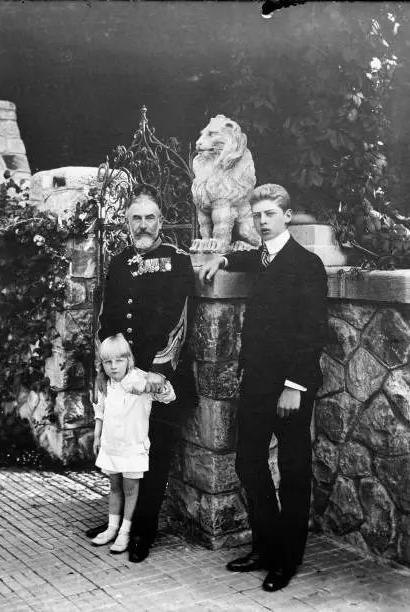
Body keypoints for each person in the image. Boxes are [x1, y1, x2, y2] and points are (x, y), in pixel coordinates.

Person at [199, 184, 327, 592]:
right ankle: (266, 545)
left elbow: (312, 333)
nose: (262, 221)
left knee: (292, 473)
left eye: (270, 214)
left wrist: (294, 386)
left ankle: (286, 560)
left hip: (291, 386)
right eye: (257, 216)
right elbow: (246, 256)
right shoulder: (262, 257)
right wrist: (221, 256)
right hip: (256, 382)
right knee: (248, 463)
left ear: (287, 216)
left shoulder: (306, 264)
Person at [86, 185, 195, 563]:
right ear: (128, 223)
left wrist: (158, 373)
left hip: (158, 379)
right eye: (136, 218)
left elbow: (180, 320)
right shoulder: (118, 262)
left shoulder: (177, 260)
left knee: (154, 455)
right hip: (123, 381)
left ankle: (143, 531)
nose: (143, 225)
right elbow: (106, 319)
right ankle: (118, 522)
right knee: (122, 451)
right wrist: (106, 367)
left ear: (161, 222)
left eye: (150, 218)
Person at [91, 334, 176, 554]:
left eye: (119, 360)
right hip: (112, 445)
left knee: (130, 490)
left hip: (132, 446)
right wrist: (97, 435)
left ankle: (125, 532)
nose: (113, 367)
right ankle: (112, 528)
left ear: (129, 359)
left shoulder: (140, 379)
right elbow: (100, 409)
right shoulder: (106, 382)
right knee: (114, 487)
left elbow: (169, 397)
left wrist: (158, 385)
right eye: (108, 362)